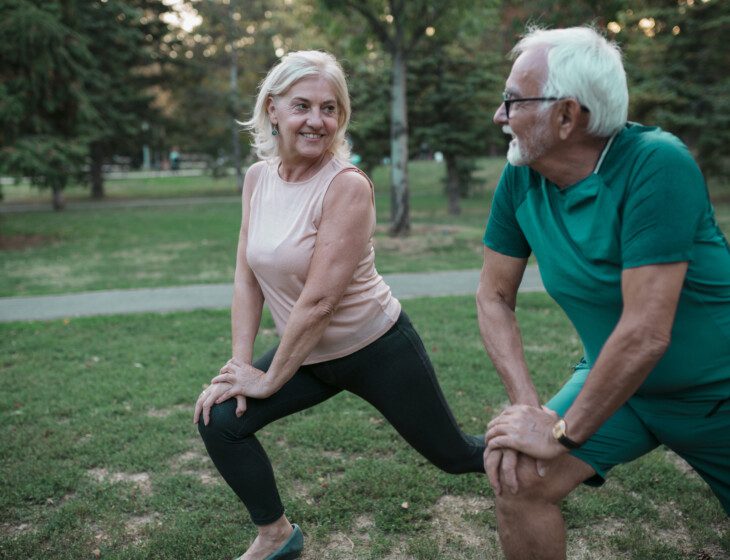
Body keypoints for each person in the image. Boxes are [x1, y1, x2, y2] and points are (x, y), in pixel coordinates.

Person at [193, 50, 485, 560]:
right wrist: (240, 365)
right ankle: (276, 535)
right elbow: (247, 275)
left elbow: (321, 301)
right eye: (302, 105)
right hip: (306, 356)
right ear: (273, 109)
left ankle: (558, 456)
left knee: (455, 456)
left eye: (329, 109)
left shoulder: (346, 185)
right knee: (220, 421)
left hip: (375, 347)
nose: (316, 120)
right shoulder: (258, 179)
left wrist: (266, 378)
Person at [477, 26, 730, 559]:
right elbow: (494, 297)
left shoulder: (656, 164)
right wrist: (532, 415)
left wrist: (563, 435)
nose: (500, 116)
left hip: (717, 393)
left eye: (513, 101)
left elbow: (644, 332)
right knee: (518, 479)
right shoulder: (521, 174)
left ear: (567, 116)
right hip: (617, 387)